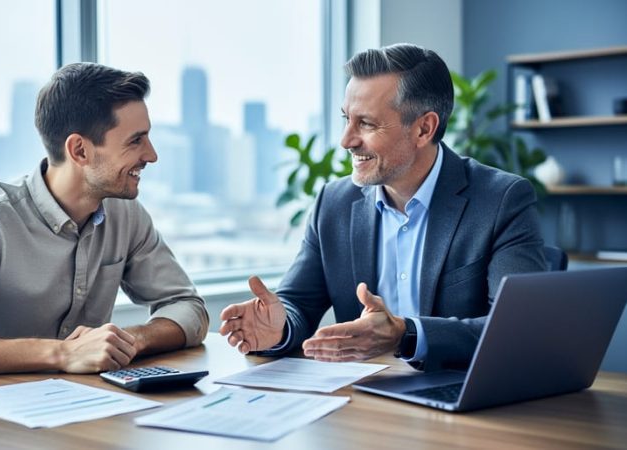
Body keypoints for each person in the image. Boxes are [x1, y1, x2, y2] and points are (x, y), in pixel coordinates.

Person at [220, 43, 545, 372]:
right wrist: (279, 328)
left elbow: (517, 330)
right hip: (367, 401)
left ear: (423, 129)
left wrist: (407, 335)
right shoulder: (333, 203)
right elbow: (298, 303)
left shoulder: (502, 200)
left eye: (366, 124)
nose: (346, 140)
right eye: (347, 119)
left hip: (463, 399)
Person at [0, 63, 209, 378]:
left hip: (86, 409)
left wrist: (130, 340)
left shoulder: (126, 215)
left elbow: (187, 307)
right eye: (135, 141)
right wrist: (63, 353)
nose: (151, 155)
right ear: (80, 150)